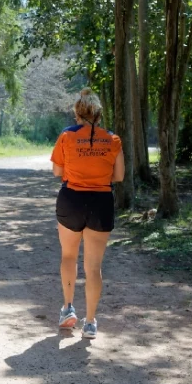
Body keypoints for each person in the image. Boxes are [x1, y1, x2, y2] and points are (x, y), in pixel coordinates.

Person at [51, 88, 124, 339]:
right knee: (93, 267)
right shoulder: (113, 139)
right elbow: (119, 176)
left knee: (68, 256)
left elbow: (57, 171)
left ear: (78, 113)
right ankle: (90, 322)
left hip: (71, 199)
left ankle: (67, 309)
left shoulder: (66, 136)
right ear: (99, 114)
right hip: (101, 202)